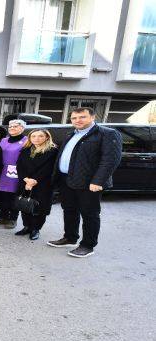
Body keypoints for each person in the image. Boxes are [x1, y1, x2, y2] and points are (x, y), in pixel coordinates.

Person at [48, 107, 122, 258]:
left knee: (90, 214)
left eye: (82, 117)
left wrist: (98, 181)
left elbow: (110, 160)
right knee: (69, 210)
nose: (77, 120)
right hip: (66, 179)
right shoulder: (71, 134)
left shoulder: (107, 134)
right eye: (74, 118)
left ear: (93, 117)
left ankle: (88, 245)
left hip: (89, 183)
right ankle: (70, 237)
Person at [15, 129, 58, 241]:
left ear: (47, 137)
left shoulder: (52, 151)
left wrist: (34, 180)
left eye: (40, 136)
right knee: (25, 204)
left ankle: (35, 229)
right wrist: (25, 179)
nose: (36, 138)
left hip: (43, 184)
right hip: (25, 182)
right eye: (33, 136)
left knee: (39, 207)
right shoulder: (25, 150)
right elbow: (19, 166)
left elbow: (49, 168)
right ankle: (27, 226)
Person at [0, 120, 27, 229]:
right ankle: (3, 216)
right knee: (2, 195)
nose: (12, 128)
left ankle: (13, 218)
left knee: (13, 196)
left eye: (16, 126)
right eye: (10, 126)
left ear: (22, 128)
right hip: (2, 171)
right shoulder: (3, 140)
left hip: (16, 173)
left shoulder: (26, 141)